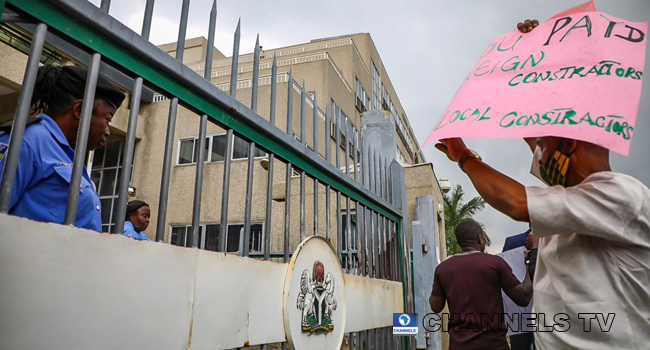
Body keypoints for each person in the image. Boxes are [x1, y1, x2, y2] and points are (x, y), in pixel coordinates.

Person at [434, 19, 650, 350]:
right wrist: (530, 65)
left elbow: (516, 203)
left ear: (568, 147)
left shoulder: (620, 195)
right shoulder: (577, 204)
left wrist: (464, 157)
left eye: (541, 146)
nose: (536, 153)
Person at [0, 64, 125, 231]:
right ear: (79, 109)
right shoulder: (27, 140)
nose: (108, 131)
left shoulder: (69, 155)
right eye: (107, 120)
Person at [429, 220, 533, 350]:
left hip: (459, 346)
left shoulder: (443, 269)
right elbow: (523, 298)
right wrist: (529, 264)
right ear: (480, 239)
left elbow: (435, 306)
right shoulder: (495, 264)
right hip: (494, 346)